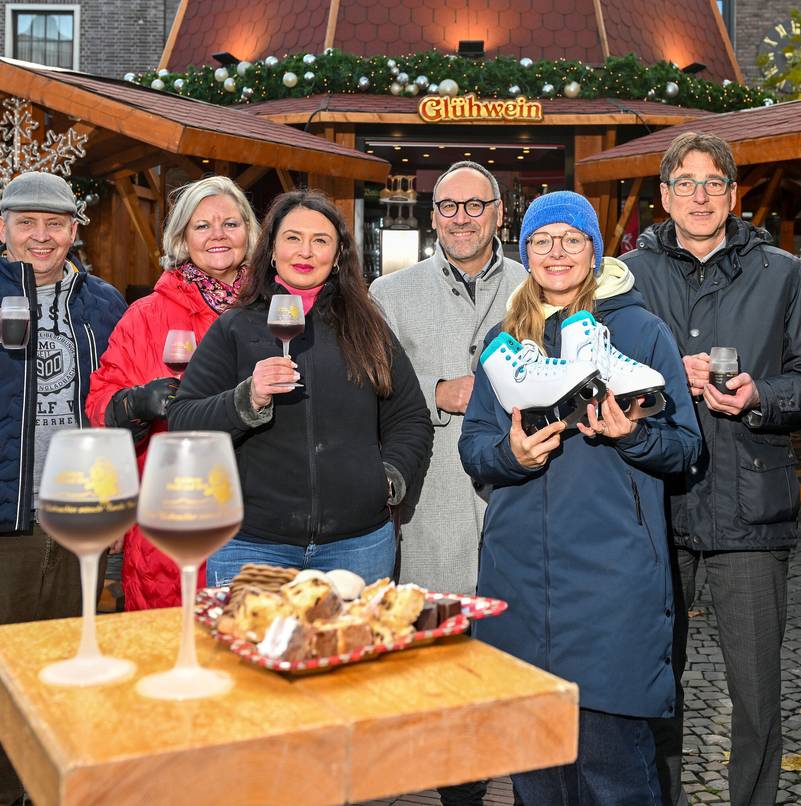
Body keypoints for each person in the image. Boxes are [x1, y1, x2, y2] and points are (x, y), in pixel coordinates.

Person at [460, 191, 702, 806]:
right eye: (542, 241)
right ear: (525, 252)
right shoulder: (504, 338)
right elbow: (474, 449)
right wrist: (510, 457)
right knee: (537, 776)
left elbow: (685, 449)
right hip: (518, 576)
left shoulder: (641, 331)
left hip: (612, 581)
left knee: (611, 772)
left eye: (572, 239)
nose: (556, 252)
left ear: (594, 251)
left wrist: (635, 435)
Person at [621, 131, 801, 806]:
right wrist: (658, 380)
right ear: (664, 196)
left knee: (758, 695)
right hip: (655, 503)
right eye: (686, 183)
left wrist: (759, 394)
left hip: (749, 507)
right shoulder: (627, 277)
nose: (700, 196)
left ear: (734, 196)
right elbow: (596, 376)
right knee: (654, 683)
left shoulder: (781, 273)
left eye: (713, 184)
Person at [167, 190, 432, 583]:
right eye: (292, 238)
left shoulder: (367, 327)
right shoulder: (236, 327)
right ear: (271, 249)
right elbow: (182, 420)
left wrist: (389, 479)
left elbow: (410, 417)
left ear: (338, 255)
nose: (305, 252)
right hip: (253, 544)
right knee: (257, 646)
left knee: (353, 646)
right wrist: (247, 399)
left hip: (357, 544)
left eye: (320, 240)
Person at [371, 160, 525, 806]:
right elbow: (373, 394)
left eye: (475, 205)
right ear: (433, 217)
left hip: (515, 510)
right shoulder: (389, 294)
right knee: (440, 677)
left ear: (497, 214)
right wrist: (439, 391)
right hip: (430, 513)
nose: (461, 217)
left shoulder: (533, 285)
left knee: (511, 674)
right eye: (449, 206)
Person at [0, 171, 126, 806]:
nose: (41, 236)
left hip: (82, 510)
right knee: (6, 667)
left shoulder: (104, 304)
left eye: (54, 224)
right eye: (27, 223)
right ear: (4, 230)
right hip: (7, 513)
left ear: (75, 231)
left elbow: (117, 397)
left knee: (71, 659)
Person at [86, 176, 259, 610]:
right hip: (176, 515)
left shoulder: (276, 309)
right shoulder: (146, 315)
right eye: (202, 226)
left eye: (230, 223)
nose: (218, 234)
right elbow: (99, 403)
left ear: (250, 233)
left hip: (265, 518)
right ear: (182, 238)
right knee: (169, 658)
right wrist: (136, 404)